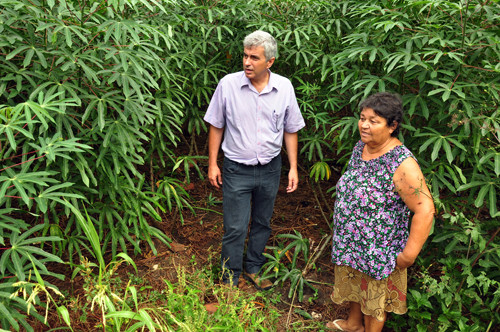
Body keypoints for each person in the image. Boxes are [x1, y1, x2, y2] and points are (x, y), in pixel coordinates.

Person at [204, 30, 305, 290]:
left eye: (255, 57)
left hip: (270, 168)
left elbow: (290, 129)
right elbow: (216, 124)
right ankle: (229, 278)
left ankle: (254, 268)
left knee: (263, 222)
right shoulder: (228, 84)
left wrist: (293, 167)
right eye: (245, 56)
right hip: (237, 168)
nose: (247, 62)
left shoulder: (284, 87)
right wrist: (213, 163)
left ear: (270, 62)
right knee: (235, 227)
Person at [327, 92, 435, 331]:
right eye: (362, 118)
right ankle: (354, 324)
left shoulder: (402, 163)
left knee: (374, 302)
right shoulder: (361, 147)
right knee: (356, 285)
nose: (364, 125)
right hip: (353, 242)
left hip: (379, 249)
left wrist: (409, 255)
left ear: (392, 126)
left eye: (373, 121)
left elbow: (425, 209)